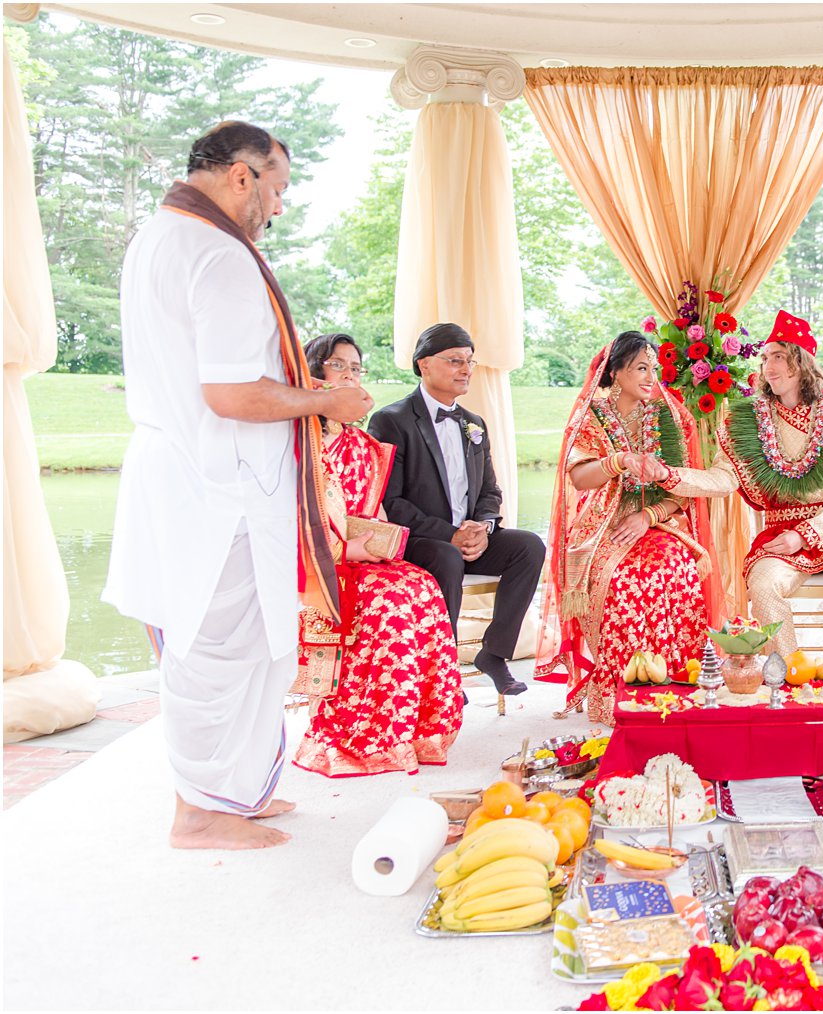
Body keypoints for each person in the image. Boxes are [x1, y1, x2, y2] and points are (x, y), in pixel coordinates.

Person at [103, 122, 374, 850]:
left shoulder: (159, 238)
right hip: (213, 485)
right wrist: (325, 402)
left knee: (249, 644)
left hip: (197, 476)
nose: (279, 207)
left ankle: (235, 790)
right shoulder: (219, 257)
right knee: (212, 647)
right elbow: (230, 392)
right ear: (242, 176)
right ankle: (199, 811)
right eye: (278, 188)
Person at [648, 311, 823, 675]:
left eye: (777, 356)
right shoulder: (748, 422)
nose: (767, 367)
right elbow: (723, 479)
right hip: (778, 533)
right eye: (764, 358)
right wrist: (668, 475)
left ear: (801, 362)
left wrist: (805, 534)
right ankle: (789, 677)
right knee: (763, 584)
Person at [291, 334, 463, 776]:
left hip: (358, 554)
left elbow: (374, 512)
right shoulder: (295, 441)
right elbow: (289, 520)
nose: (350, 376)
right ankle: (358, 732)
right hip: (313, 560)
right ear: (312, 375)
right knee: (388, 601)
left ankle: (412, 730)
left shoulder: (360, 445)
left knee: (420, 585)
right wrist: (348, 548)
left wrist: (381, 541)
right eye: (338, 366)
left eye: (356, 368)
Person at [535, 332, 724, 724]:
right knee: (623, 579)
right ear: (615, 372)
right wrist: (618, 460)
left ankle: (677, 683)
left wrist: (649, 517)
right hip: (604, 525)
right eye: (641, 368)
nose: (651, 376)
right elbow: (580, 479)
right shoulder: (592, 416)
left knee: (676, 568)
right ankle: (619, 692)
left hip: (660, 522)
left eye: (654, 368)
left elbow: (683, 489)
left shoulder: (670, 416)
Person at [368, 323, 546, 698]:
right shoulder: (391, 421)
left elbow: (489, 491)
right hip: (421, 541)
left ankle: (494, 653)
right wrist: (450, 534)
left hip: (468, 539)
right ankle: (444, 668)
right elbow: (390, 500)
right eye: (455, 361)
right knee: (447, 556)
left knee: (528, 546)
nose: (465, 369)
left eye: (469, 361)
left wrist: (482, 527)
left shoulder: (474, 424)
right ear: (424, 364)